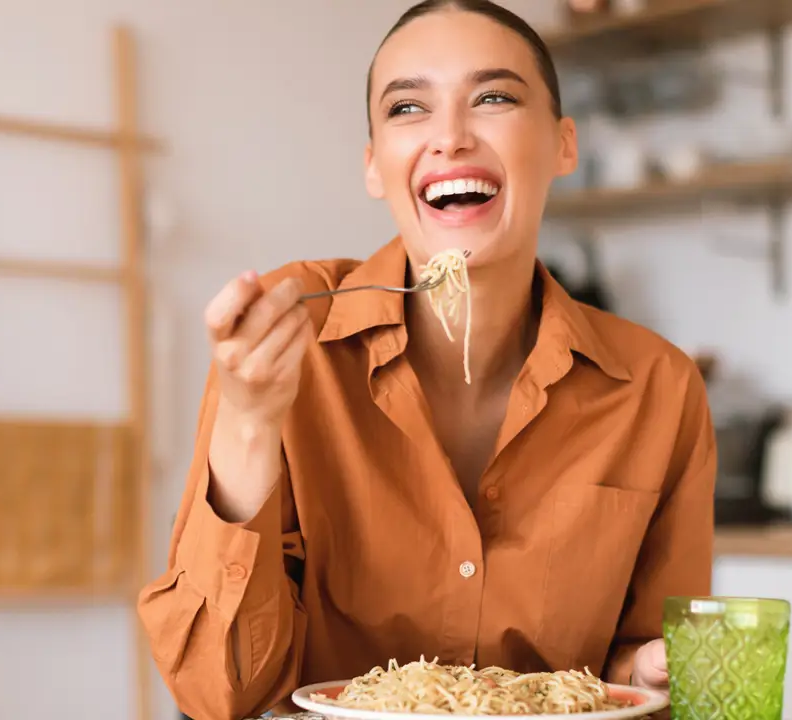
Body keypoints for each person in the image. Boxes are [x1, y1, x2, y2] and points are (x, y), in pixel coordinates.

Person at [138, 2, 716, 719]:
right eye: (409, 107)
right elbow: (216, 693)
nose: (449, 136)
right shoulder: (290, 344)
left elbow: (638, 664)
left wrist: (655, 670)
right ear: (375, 165)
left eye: (494, 97)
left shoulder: (657, 386)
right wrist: (249, 422)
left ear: (564, 145)